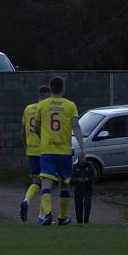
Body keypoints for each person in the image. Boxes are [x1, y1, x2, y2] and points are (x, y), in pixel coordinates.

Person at [33, 77, 78, 226]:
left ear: (50, 89)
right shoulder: (70, 105)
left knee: (46, 183)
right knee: (65, 184)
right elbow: (76, 126)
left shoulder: (42, 105)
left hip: (47, 151)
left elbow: (36, 128)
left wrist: (43, 139)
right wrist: (83, 147)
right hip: (64, 151)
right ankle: (62, 217)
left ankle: (46, 215)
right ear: (63, 88)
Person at [18, 92, 45, 223]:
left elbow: (22, 132)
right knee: (47, 183)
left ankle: (26, 201)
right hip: (44, 150)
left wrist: (26, 147)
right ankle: (42, 216)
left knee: (36, 182)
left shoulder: (28, 108)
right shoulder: (45, 109)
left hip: (31, 150)